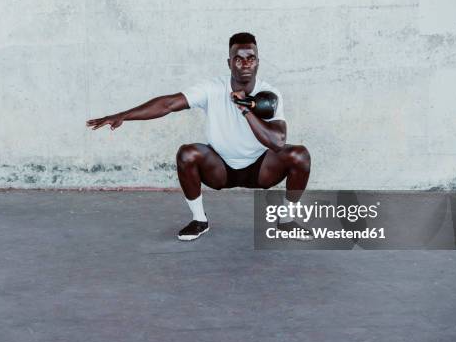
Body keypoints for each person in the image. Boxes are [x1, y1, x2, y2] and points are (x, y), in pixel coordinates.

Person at [86, 32, 311, 241]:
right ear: (229, 62)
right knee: (187, 153)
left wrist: (244, 108)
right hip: (220, 169)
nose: (245, 64)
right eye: (238, 59)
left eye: (251, 58)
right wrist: (124, 115)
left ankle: (286, 221)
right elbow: (169, 104)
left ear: (258, 62)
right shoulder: (212, 88)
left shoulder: (270, 93)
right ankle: (199, 220)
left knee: (300, 155)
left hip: (261, 169)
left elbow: (277, 142)